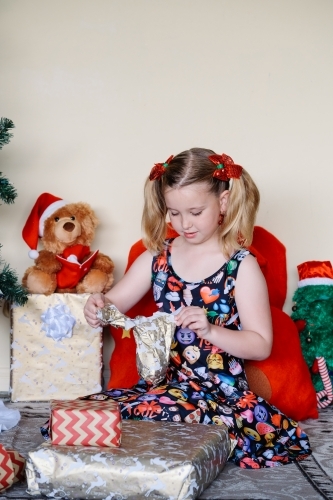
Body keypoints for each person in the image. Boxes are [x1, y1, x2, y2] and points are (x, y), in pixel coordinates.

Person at [84, 147, 311, 468]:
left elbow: (260, 345)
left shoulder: (240, 266)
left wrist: (210, 330)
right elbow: (114, 305)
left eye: (194, 212)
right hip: (164, 387)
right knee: (97, 415)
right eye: (173, 213)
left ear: (223, 202)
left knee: (174, 422)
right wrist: (97, 307)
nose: (183, 224)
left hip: (219, 392)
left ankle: (174, 455)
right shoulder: (157, 257)